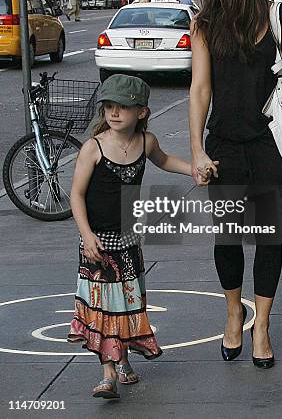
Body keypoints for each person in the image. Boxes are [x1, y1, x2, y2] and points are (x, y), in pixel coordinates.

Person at [189, 0, 282, 370]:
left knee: (267, 238)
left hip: (269, 144)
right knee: (227, 237)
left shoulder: (279, 16)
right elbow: (200, 89)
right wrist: (196, 149)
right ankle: (233, 313)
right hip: (223, 144)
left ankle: (262, 326)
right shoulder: (204, 23)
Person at [68, 74, 195, 399]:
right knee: (101, 309)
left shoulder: (146, 142)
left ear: (141, 112)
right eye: (109, 107)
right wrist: (86, 235)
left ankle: (122, 361)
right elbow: (77, 195)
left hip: (128, 242)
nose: (114, 113)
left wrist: (194, 169)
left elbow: (165, 160)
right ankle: (107, 374)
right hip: (97, 244)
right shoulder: (93, 148)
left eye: (122, 107)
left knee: (125, 303)